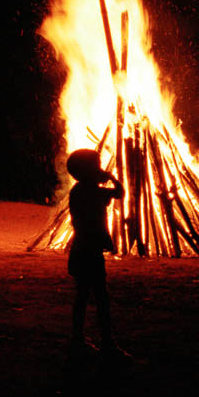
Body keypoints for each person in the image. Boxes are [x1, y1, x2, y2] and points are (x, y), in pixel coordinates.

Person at [66, 148, 131, 369]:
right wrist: (112, 176)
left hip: (81, 250)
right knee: (100, 298)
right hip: (89, 252)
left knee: (83, 296)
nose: (99, 168)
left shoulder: (79, 190)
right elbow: (120, 193)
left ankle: (79, 338)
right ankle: (106, 343)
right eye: (96, 164)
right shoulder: (92, 192)